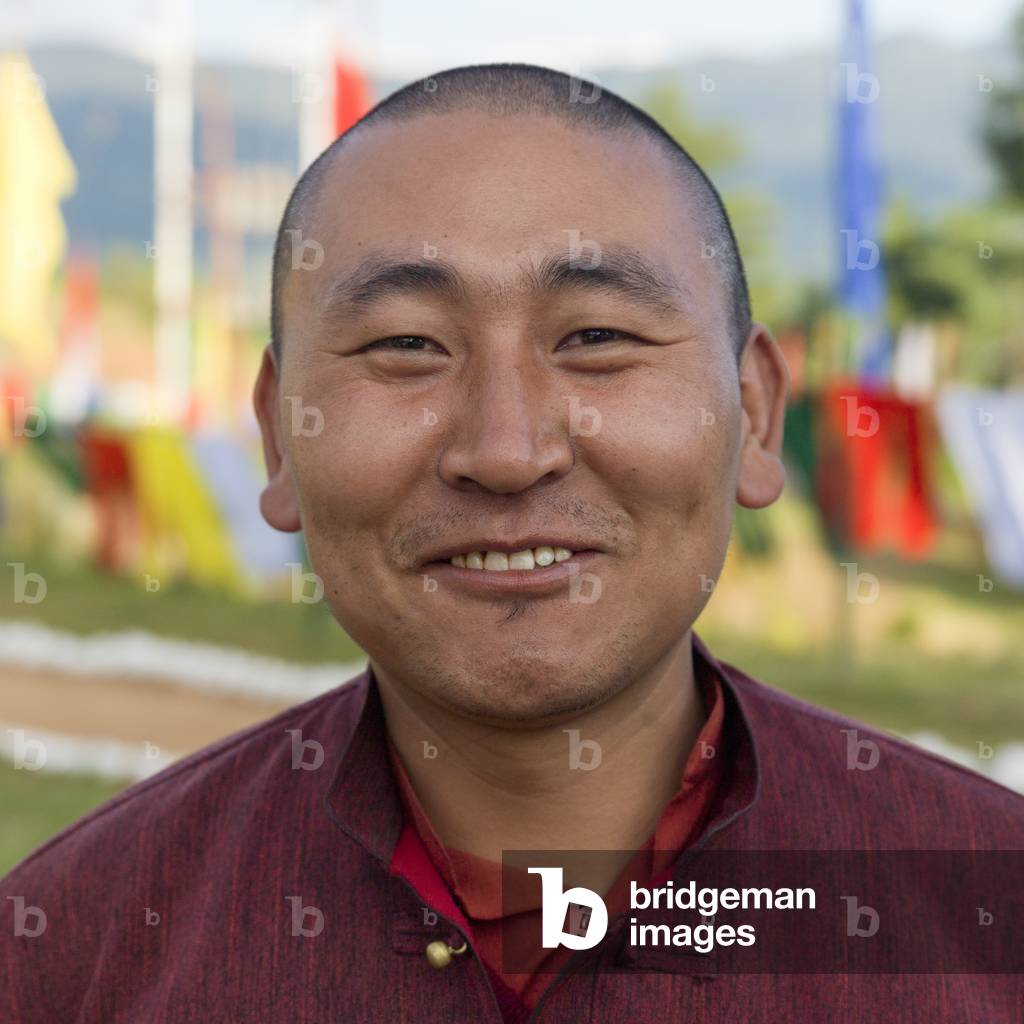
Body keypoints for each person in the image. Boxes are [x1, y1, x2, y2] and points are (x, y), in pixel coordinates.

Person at [2, 63, 1021, 1022]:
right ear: (279, 433)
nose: (506, 450)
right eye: (405, 346)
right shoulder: (77, 951)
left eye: (597, 339)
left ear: (753, 413)